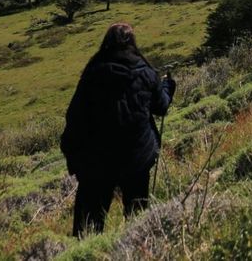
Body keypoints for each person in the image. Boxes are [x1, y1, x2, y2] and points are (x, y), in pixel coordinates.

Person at [60, 22, 175, 238]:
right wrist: (168, 87)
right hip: (137, 157)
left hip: (97, 162)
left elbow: (74, 116)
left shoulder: (93, 72)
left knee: (89, 226)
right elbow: (161, 107)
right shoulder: (146, 72)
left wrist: (71, 152)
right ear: (132, 42)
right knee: (138, 217)